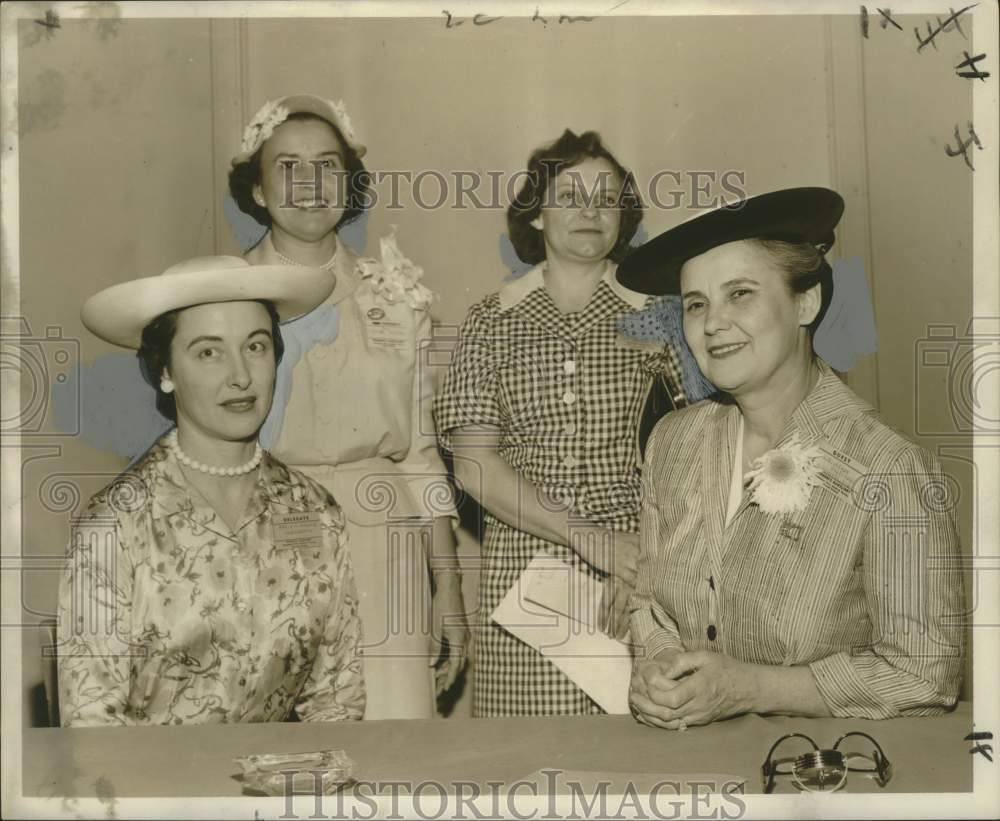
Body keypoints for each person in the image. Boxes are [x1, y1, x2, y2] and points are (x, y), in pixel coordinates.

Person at [618, 187, 966, 726]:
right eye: (695, 304)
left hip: (823, 776)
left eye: (740, 294)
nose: (712, 324)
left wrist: (751, 688)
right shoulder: (673, 442)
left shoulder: (890, 469)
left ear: (806, 302)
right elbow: (649, 601)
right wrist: (661, 662)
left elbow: (925, 671)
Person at [434, 129, 692, 716]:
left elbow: (703, 448)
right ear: (537, 214)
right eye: (570, 193)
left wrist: (649, 558)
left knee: (637, 768)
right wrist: (589, 540)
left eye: (606, 197)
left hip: (636, 565)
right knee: (524, 771)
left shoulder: (659, 315)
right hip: (522, 582)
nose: (590, 209)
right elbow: (475, 468)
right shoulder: (491, 320)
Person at [228, 94, 466, 719]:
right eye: (288, 167)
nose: (309, 185)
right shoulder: (224, 295)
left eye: (327, 165)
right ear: (257, 190)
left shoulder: (396, 294)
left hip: (382, 541)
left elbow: (420, 456)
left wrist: (448, 584)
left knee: (391, 739)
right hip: (262, 538)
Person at [58, 255, 365, 726]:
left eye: (256, 346)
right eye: (208, 352)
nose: (240, 376)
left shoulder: (316, 512)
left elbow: (336, 703)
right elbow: (91, 723)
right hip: (157, 794)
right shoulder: (115, 524)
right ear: (165, 372)